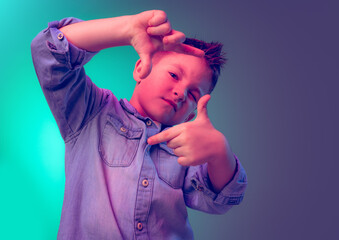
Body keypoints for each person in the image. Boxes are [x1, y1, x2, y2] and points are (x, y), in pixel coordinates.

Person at [31, 10, 247, 240]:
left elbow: (221, 199)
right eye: (174, 75)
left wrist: (219, 153)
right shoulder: (91, 112)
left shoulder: (184, 148)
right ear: (140, 67)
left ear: (191, 114)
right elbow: (48, 51)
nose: (181, 93)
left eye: (194, 94)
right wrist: (125, 29)